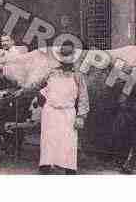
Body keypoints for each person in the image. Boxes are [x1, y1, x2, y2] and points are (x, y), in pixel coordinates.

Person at [38, 41, 90, 174]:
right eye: (64, 55)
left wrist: (81, 116)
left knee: (68, 143)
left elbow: (83, 96)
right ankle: (46, 166)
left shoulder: (78, 75)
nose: (66, 61)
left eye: (69, 55)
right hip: (50, 112)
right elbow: (40, 87)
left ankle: (69, 169)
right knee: (48, 141)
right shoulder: (51, 72)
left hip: (68, 113)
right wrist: (41, 97)